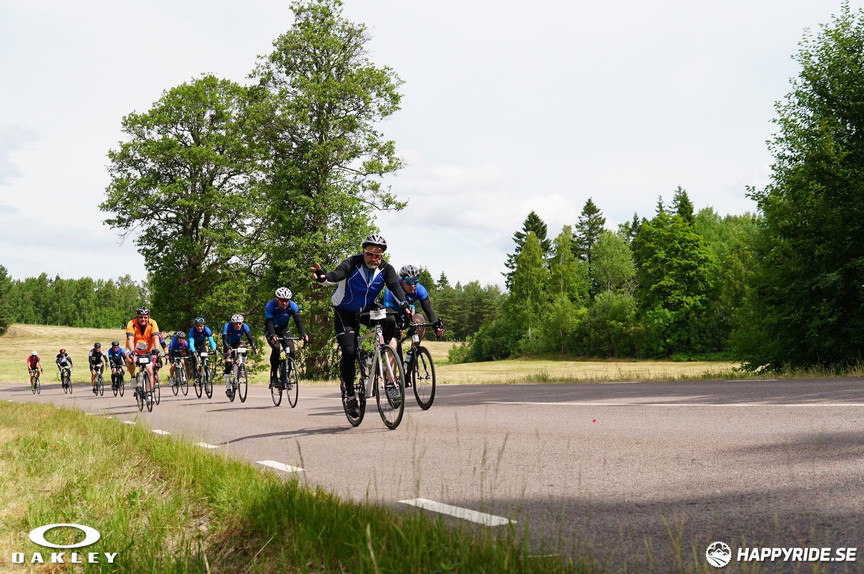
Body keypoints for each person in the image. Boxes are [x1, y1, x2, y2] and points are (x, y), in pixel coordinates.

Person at [310, 234, 412, 418]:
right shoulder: (352, 263)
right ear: (363, 252)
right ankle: (350, 395)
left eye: (378, 255)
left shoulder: (386, 269)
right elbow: (334, 276)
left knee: (390, 320)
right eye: (370, 254)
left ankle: (387, 372)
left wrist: (404, 304)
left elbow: (395, 288)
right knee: (349, 352)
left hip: (367, 310)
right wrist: (322, 277)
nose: (374, 258)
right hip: (345, 311)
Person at [382, 265, 445, 340]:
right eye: (409, 282)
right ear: (402, 281)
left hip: (407, 312)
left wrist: (436, 327)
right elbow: (389, 312)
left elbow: (428, 309)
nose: (412, 285)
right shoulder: (392, 289)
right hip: (392, 313)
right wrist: (396, 327)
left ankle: (415, 349)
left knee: (420, 321)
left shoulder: (419, 289)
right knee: (394, 340)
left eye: (415, 281)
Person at [263, 287, 309, 388]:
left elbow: (298, 321)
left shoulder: (292, 306)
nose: (284, 303)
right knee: (276, 348)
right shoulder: (271, 306)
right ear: (277, 299)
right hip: (271, 329)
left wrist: (303, 334)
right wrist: (272, 335)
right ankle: (274, 377)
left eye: (286, 300)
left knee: (291, 350)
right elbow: (268, 322)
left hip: (284, 330)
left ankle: (286, 378)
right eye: (282, 300)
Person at [125, 306, 161, 406]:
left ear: (148, 317)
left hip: (147, 349)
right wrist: (132, 351)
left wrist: (157, 349)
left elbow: (155, 337)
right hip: (133, 348)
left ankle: (149, 394)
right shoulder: (131, 323)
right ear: (137, 317)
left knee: (150, 370)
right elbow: (130, 339)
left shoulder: (153, 323)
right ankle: (132, 377)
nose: (143, 319)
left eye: (145, 317)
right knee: (130, 359)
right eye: (141, 317)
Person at [221, 314, 258, 399]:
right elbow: (224, 339)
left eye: (239, 323)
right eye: (236, 324)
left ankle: (241, 366)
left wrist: (254, 347)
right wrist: (228, 347)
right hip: (228, 344)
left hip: (238, 342)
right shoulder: (227, 326)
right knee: (228, 365)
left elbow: (250, 338)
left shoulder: (245, 326)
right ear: (232, 323)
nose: (238, 325)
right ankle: (228, 389)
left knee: (243, 348)